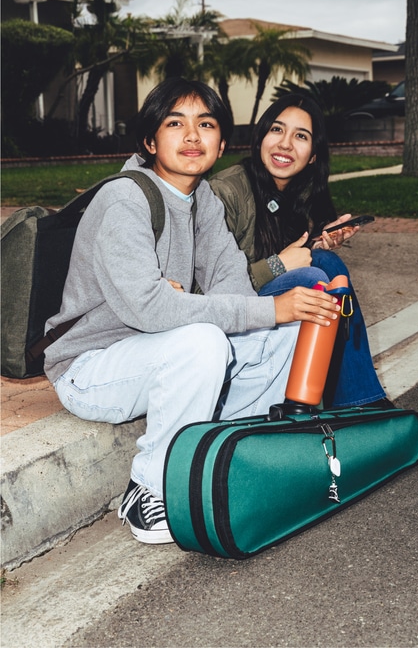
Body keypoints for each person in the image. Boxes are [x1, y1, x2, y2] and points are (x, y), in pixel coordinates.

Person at [44, 79, 340, 545]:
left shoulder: (201, 199)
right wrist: (266, 309)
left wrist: (273, 313)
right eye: (174, 123)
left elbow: (236, 288)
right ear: (149, 140)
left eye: (205, 125)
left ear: (221, 143)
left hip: (154, 354)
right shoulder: (124, 198)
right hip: (92, 369)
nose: (191, 137)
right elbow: (149, 306)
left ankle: (232, 454)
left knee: (289, 331)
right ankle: (149, 488)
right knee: (205, 341)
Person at [209, 93, 393, 410]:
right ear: (260, 136)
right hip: (226, 317)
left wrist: (317, 245)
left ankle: (358, 398)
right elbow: (211, 291)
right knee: (312, 275)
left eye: (301, 136)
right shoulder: (225, 192)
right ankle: (319, 402)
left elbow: (284, 255)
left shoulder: (298, 191)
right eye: (277, 130)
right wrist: (280, 266)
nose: (285, 144)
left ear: (312, 156)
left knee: (325, 263)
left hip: (261, 299)